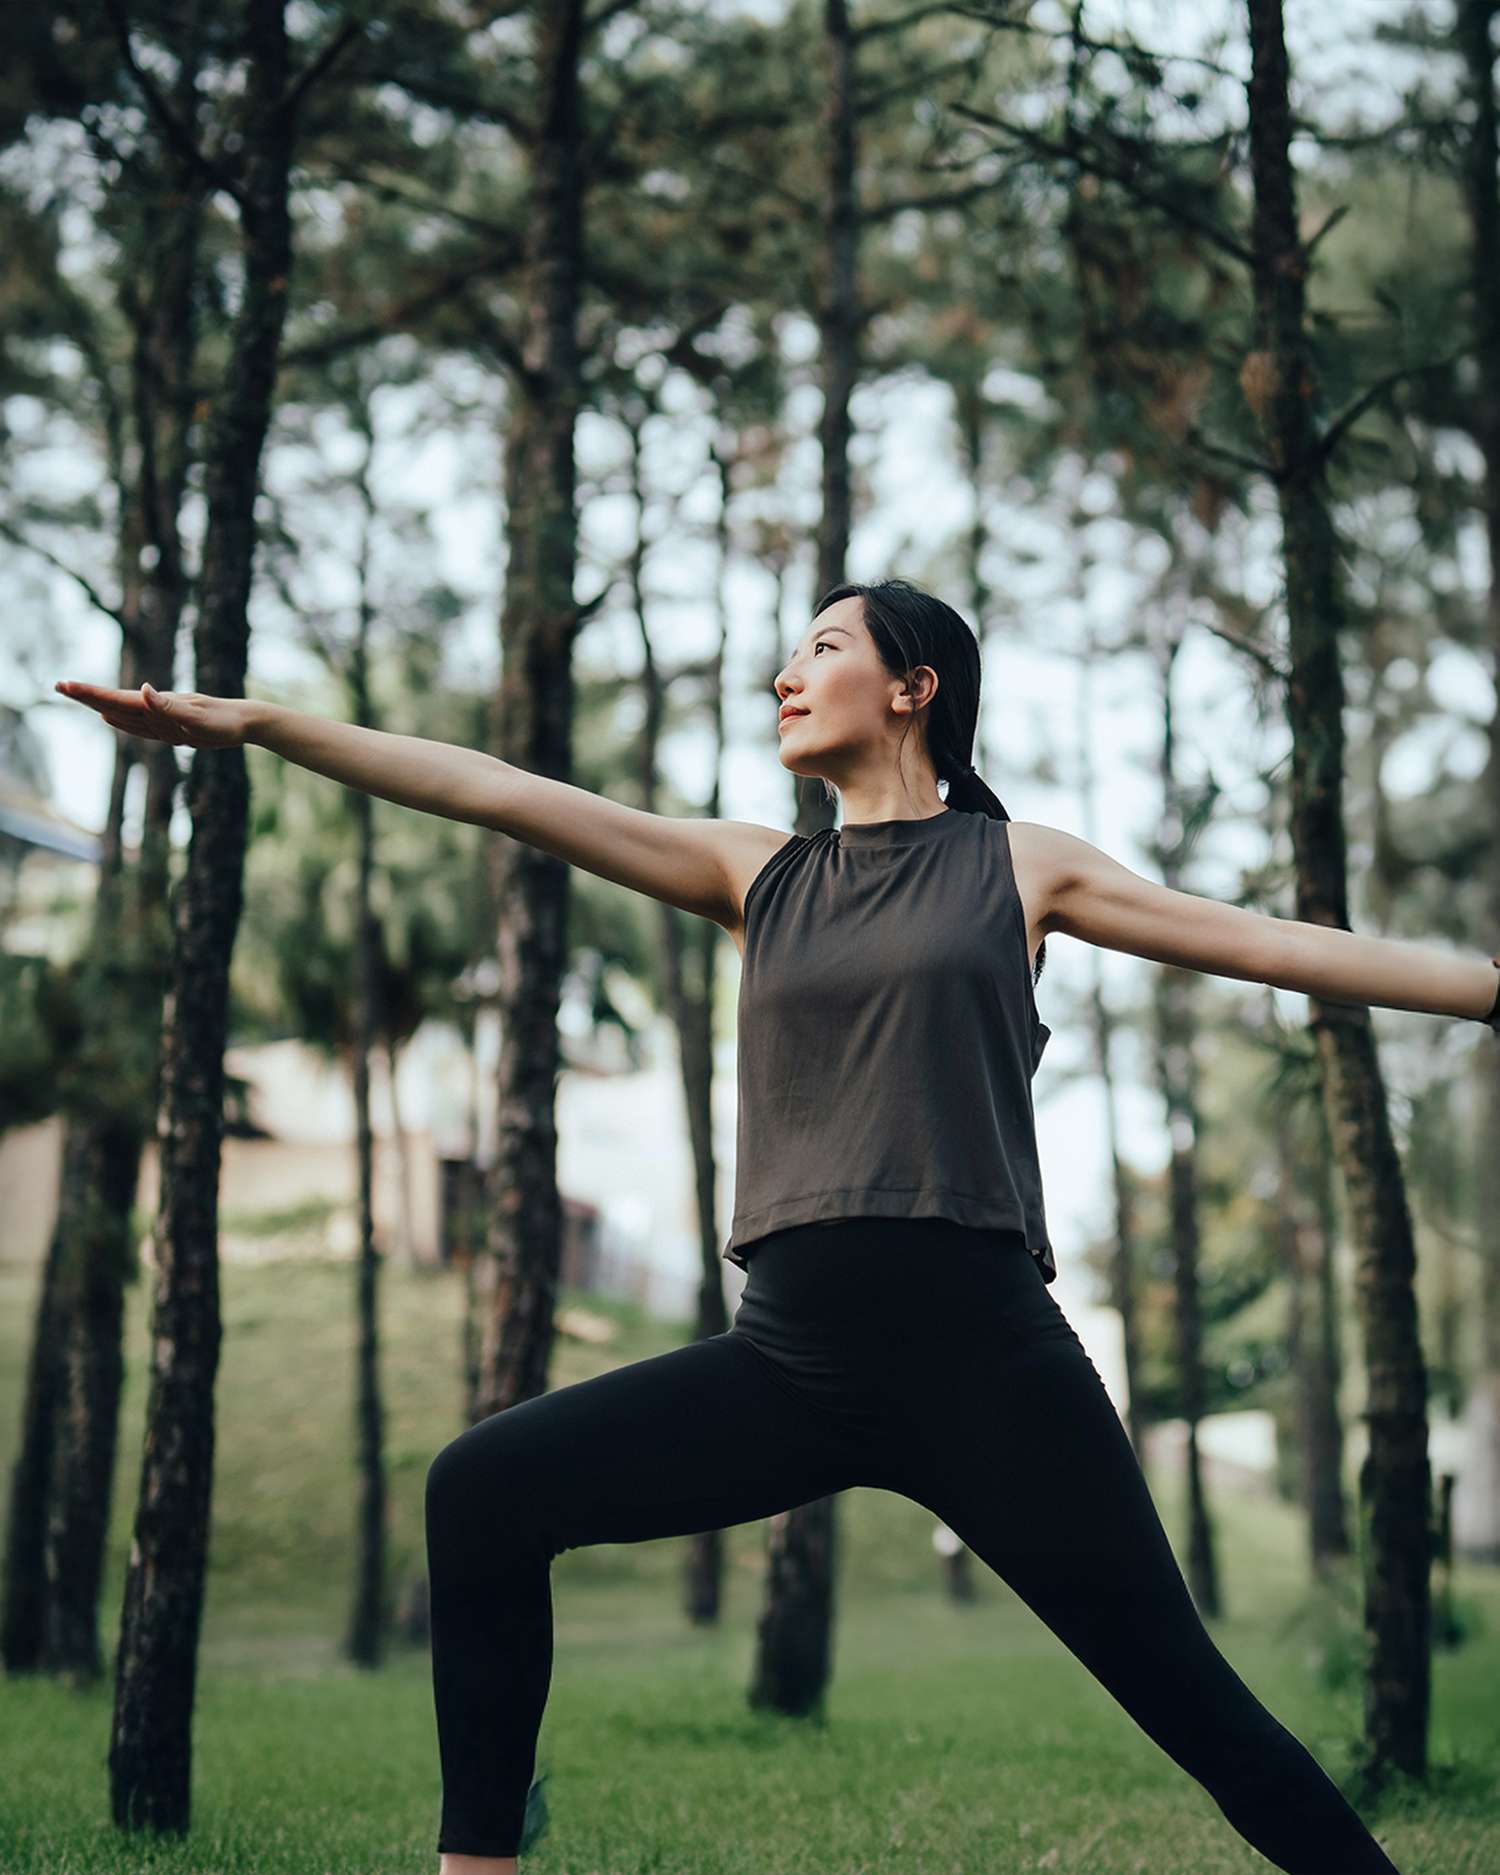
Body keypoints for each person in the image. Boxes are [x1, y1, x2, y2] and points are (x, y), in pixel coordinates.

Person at [56, 579, 1500, 1875]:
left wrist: (1492, 986)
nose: (785, 678)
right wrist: (254, 723)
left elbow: (1269, 941)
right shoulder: (760, 876)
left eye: (823, 647)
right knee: (481, 1492)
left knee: (1195, 1701)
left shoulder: (1018, 866)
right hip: (789, 1364)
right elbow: (494, 791)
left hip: (989, 1368)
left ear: (915, 683)